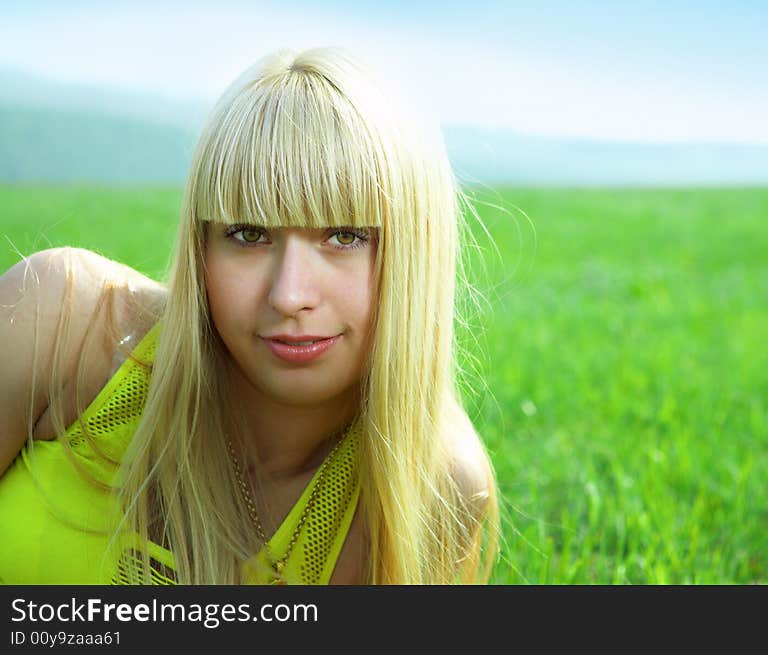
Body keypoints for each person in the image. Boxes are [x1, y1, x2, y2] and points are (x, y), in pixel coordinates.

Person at [0, 47, 499, 585]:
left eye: (345, 236)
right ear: (201, 246)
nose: (289, 296)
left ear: (416, 253)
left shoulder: (426, 486)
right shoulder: (65, 320)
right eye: (249, 234)